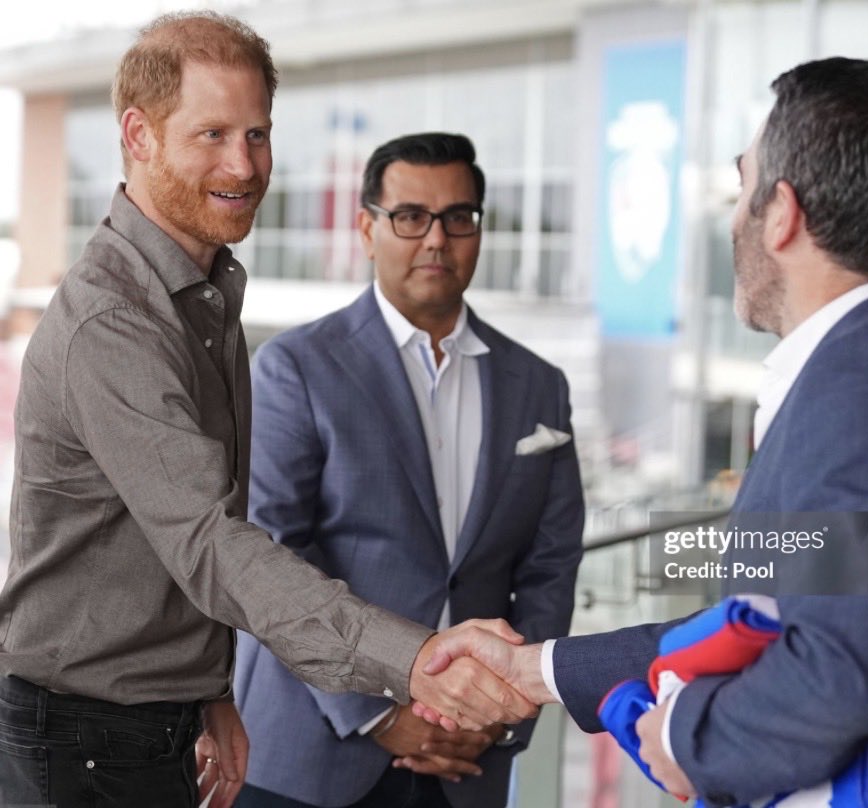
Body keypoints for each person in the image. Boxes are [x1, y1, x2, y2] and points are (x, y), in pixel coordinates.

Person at [0, 14, 534, 808]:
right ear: (139, 136)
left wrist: (212, 688)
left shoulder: (204, 293)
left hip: (153, 722)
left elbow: (185, 533)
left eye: (257, 134)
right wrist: (416, 659)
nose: (244, 165)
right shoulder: (114, 322)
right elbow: (211, 543)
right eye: (211, 134)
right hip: (85, 742)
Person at [421, 56, 868, 806]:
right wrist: (533, 669)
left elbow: (848, 669)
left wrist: (684, 738)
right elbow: (774, 618)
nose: (732, 213)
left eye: (740, 185)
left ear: (781, 213)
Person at [231, 132, 584, 808]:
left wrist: (501, 708)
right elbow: (269, 559)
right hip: (315, 752)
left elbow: (550, 564)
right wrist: (381, 714)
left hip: (469, 759)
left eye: (458, 218)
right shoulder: (294, 368)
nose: (435, 239)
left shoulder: (540, 386)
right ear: (366, 228)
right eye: (409, 217)